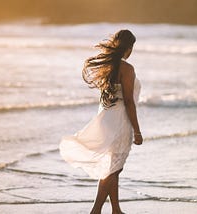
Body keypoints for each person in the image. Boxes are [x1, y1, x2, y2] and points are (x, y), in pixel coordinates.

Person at [59, 29, 143, 214]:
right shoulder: (127, 69)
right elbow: (129, 101)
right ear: (128, 48)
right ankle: (96, 210)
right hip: (120, 120)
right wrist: (137, 130)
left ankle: (116, 209)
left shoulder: (109, 67)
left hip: (107, 118)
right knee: (113, 169)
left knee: (113, 167)